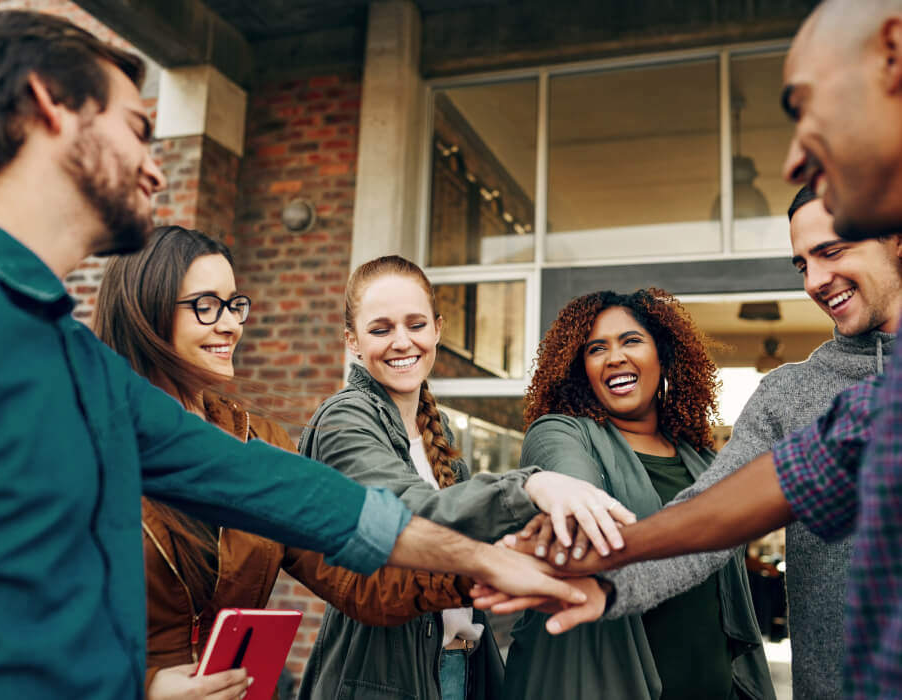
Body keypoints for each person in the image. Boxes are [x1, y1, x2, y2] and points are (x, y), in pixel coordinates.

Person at [0, 11, 601, 697]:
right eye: (137, 129)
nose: (155, 171)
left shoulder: (85, 368)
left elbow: (301, 498)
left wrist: (489, 562)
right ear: (49, 105)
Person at [476, 11, 902, 698]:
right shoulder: (794, 397)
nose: (814, 279)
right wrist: (604, 579)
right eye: (799, 263)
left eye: (831, 250)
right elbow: (713, 517)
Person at [94, 225, 489, 699]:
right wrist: (147, 687)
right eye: (206, 306)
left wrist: (482, 571)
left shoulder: (259, 441)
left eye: (235, 304)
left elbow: (357, 584)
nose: (230, 324)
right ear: (146, 313)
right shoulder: (81, 446)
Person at [296, 256, 636, 700]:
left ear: (437, 329)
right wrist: (531, 486)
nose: (402, 342)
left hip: (458, 669)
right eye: (381, 329)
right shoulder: (343, 418)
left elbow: (467, 541)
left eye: (415, 325)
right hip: (379, 680)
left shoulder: (436, 430)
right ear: (352, 340)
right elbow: (403, 512)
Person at [501, 289, 774, 700]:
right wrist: (570, 511)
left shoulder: (700, 458)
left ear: (662, 356)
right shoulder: (561, 432)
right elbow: (576, 493)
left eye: (631, 341)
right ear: (582, 369)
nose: (615, 358)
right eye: (597, 349)